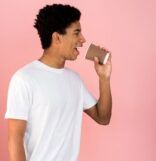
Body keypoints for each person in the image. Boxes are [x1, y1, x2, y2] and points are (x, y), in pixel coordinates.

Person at [5, 4, 112, 161]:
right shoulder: (24, 79)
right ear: (57, 37)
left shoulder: (75, 80)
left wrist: (104, 78)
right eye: (77, 33)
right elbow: (15, 139)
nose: (83, 39)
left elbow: (103, 118)